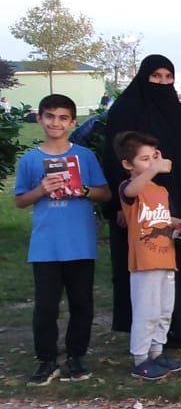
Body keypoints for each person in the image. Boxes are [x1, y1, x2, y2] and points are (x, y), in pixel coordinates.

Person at [101, 55, 181, 345]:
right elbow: (114, 160)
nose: (163, 82)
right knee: (149, 270)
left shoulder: (175, 110)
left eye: (168, 77)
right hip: (139, 200)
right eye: (156, 77)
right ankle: (145, 340)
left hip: (179, 194)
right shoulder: (125, 110)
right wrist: (118, 207)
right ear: (144, 78)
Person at [13, 94, 112, 385]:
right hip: (46, 246)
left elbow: (105, 193)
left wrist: (83, 190)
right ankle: (46, 360)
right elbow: (20, 200)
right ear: (40, 119)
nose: (55, 123)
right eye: (50, 116)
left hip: (80, 243)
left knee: (82, 305)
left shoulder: (84, 157)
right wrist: (41, 189)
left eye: (62, 118)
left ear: (72, 122)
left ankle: (76, 356)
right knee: (46, 307)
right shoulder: (31, 160)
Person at [114, 130, 181, 381]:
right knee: (146, 311)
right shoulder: (129, 188)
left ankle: (156, 352)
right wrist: (155, 168)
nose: (151, 164)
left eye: (152, 158)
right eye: (144, 159)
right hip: (145, 261)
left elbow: (164, 219)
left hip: (166, 258)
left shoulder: (159, 190)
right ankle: (140, 358)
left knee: (163, 309)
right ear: (127, 164)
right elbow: (131, 191)